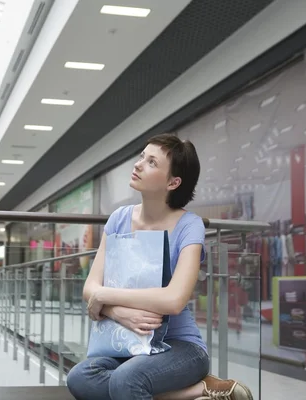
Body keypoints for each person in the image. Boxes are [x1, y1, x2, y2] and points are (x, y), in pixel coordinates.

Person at [66, 134, 252, 400]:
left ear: (173, 182)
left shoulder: (189, 225)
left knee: (126, 380)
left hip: (180, 347)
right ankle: (200, 390)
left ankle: (189, 385)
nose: (139, 164)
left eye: (152, 162)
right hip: (128, 344)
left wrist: (105, 298)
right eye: (142, 156)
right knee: (80, 378)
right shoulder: (119, 219)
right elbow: (90, 287)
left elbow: (174, 300)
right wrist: (119, 314)